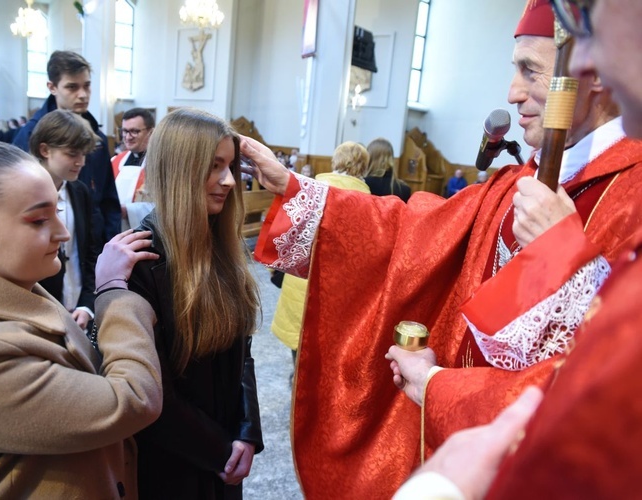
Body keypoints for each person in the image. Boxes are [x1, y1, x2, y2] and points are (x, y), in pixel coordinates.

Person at [239, 0, 642, 495]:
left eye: (529, 71)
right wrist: (301, 190)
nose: (512, 94)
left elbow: (615, 386)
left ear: (589, 73)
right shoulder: (519, 180)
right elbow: (411, 231)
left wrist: (564, 256)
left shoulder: (631, 194)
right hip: (458, 440)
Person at [0, 140, 163, 498]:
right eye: (38, 219)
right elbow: (132, 400)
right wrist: (113, 295)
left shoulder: (15, 289)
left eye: (56, 210)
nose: (63, 233)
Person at [126, 108, 263, 499]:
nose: (229, 181)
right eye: (214, 166)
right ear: (180, 169)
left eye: (231, 166)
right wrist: (220, 450)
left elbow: (243, 351)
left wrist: (247, 432)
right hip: (173, 463)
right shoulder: (141, 259)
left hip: (223, 456)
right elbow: (153, 390)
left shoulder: (218, 245)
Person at [272, 142, 371, 378]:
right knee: (329, 345)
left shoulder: (311, 190)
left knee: (300, 339)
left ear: (335, 161)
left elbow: (288, 233)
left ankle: (297, 381)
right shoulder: (368, 202)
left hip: (301, 279)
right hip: (339, 285)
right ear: (364, 167)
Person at [13, 50, 121, 243]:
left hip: (92, 241)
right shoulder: (30, 135)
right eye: (72, 87)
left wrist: (111, 244)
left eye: (87, 86)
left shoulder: (98, 138)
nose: (82, 95)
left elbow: (108, 198)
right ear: (52, 87)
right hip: (49, 239)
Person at [29, 110, 100, 331]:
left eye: (84, 154)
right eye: (72, 154)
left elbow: (90, 252)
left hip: (77, 305)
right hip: (39, 309)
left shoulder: (80, 191)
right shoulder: (23, 194)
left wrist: (87, 304)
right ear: (45, 150)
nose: (81, 162)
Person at [111, 108, 155, 230]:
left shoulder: (160, 165)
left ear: (151, 132)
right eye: (124, 131)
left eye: (134, 131)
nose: (128, 137)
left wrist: (129, 211)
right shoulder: (114, 161)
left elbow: (166, 207)